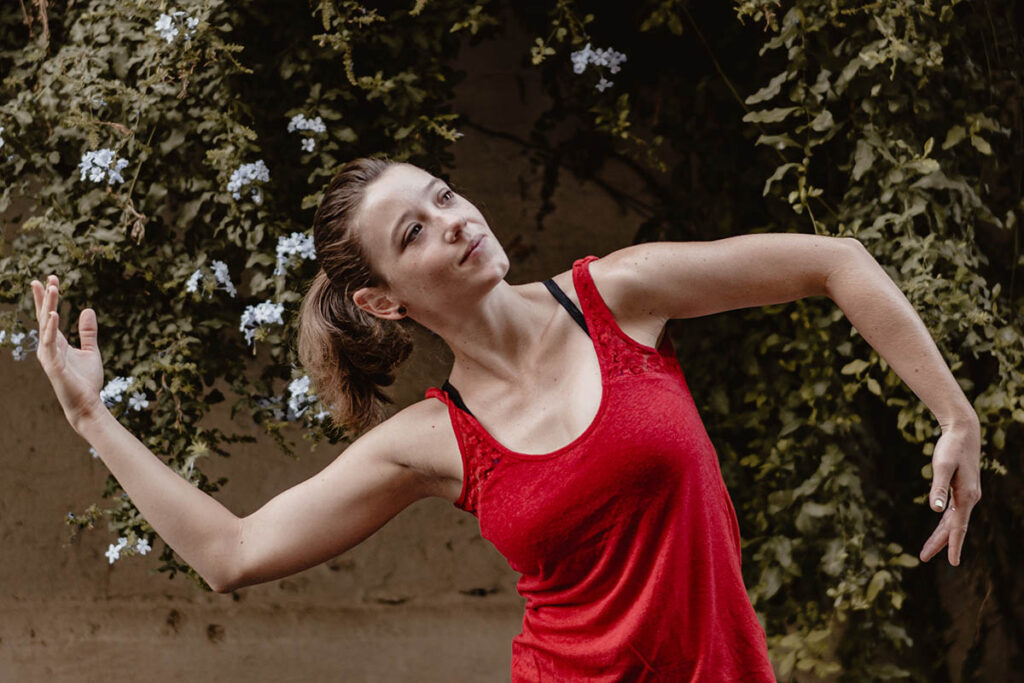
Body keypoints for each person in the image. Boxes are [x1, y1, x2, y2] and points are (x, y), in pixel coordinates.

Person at [31, 157, 981, 681]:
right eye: (414, 233)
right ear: (386, 303)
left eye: (440, 196)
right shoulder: (433, 441)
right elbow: (232, 552)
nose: (451, 220)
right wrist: (92, 420)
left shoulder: (618, 297)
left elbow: (835, 260)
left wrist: (955, 416)